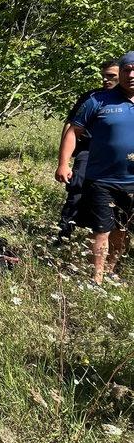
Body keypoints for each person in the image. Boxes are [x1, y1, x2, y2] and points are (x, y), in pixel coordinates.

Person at [56, 53, 134, 285]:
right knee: (101, 230)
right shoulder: (97, 101)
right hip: (102, 179)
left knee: (123, 230)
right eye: (126, 70)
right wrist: (63, 163)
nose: (131, 75)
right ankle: (96, 279)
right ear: (119, 73)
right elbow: (72, 132)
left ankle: (111, 270)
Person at [57, 59, 120, 240]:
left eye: (111, 76)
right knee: (77, 188)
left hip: (119, 157)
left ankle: (110, 234)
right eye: (104, 76)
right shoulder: (92, 97)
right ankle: (64, 233)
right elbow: (71, 125)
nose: (106, 80)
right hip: (88, 151)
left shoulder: (127, 100)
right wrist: (64, 161)